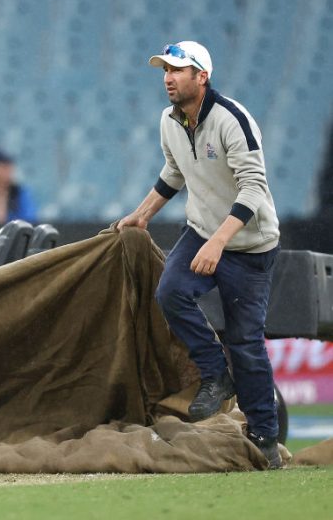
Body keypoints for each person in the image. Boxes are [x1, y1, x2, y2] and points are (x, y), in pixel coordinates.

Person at [116, 41, 283, 469]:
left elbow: (253, 189)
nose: (168, 77)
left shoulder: (233, 120)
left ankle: (264, 436)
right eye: (164, 70)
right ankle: (215, 374)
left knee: (246, 343)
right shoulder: (168, 120)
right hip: (203, 229)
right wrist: (141, 215)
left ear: (201, 77)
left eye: (177, 69)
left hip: (248, 244)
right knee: (170, 290)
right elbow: (174, 173)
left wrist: (219, 241)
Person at [0, 149, 37, 227]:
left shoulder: (19, 193)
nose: (7, 171)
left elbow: (29, 221)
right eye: (3, 166)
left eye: (9, 166)